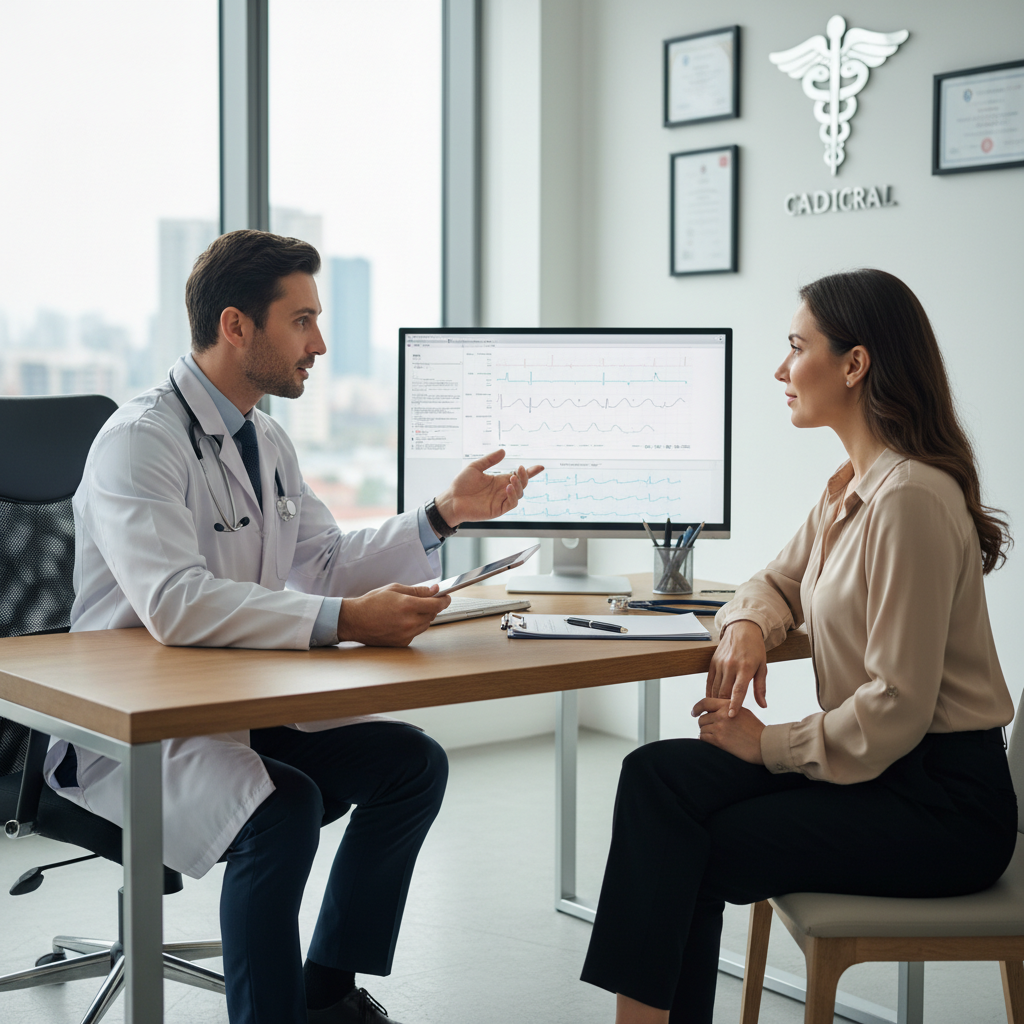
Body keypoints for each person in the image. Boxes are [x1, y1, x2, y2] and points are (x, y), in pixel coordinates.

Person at [42, 229, 542, 1024]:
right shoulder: (140, 442)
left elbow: (323, 561)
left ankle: (326, 993)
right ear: (237, 326)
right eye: (302, 320)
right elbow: (176, 601)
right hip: (131, 731)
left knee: (411, 765)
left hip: (233, 703)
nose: (320, 344)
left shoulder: (265, 438)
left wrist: (443, 515)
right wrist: (345, 621)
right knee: (283, 811)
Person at [579, 268, 1017, 1024]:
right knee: (656, 777)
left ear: (855, 365)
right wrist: (747, 624)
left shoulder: (910, 497)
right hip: (875, 771)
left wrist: (768, 745)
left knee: (688, 845)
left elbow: (898, 704)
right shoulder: (852, 486)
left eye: (796, 346)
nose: (781, 369)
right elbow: (774, 582)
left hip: (940, 805)